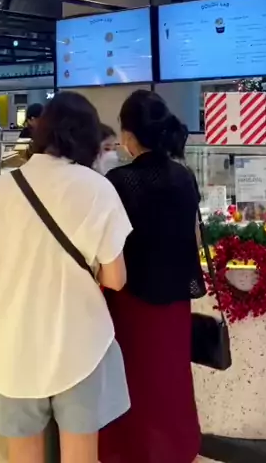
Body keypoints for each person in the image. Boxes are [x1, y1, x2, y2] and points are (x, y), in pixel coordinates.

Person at [0, 91, 133, 463]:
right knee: (79, 453)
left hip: (10, 344)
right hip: (80, 344)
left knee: (23, 450)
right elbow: (116, 279)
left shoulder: (4, 186)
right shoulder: (97, 188)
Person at [99, 90, 204, 463]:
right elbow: (193, 235)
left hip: (130, 299)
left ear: (128, 135)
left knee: (131, 378)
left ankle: (129, 451)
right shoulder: (184, 176)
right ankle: (176, 449)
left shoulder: (118, 180)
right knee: (171, 377)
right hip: (175, 297)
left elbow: (108, 245)